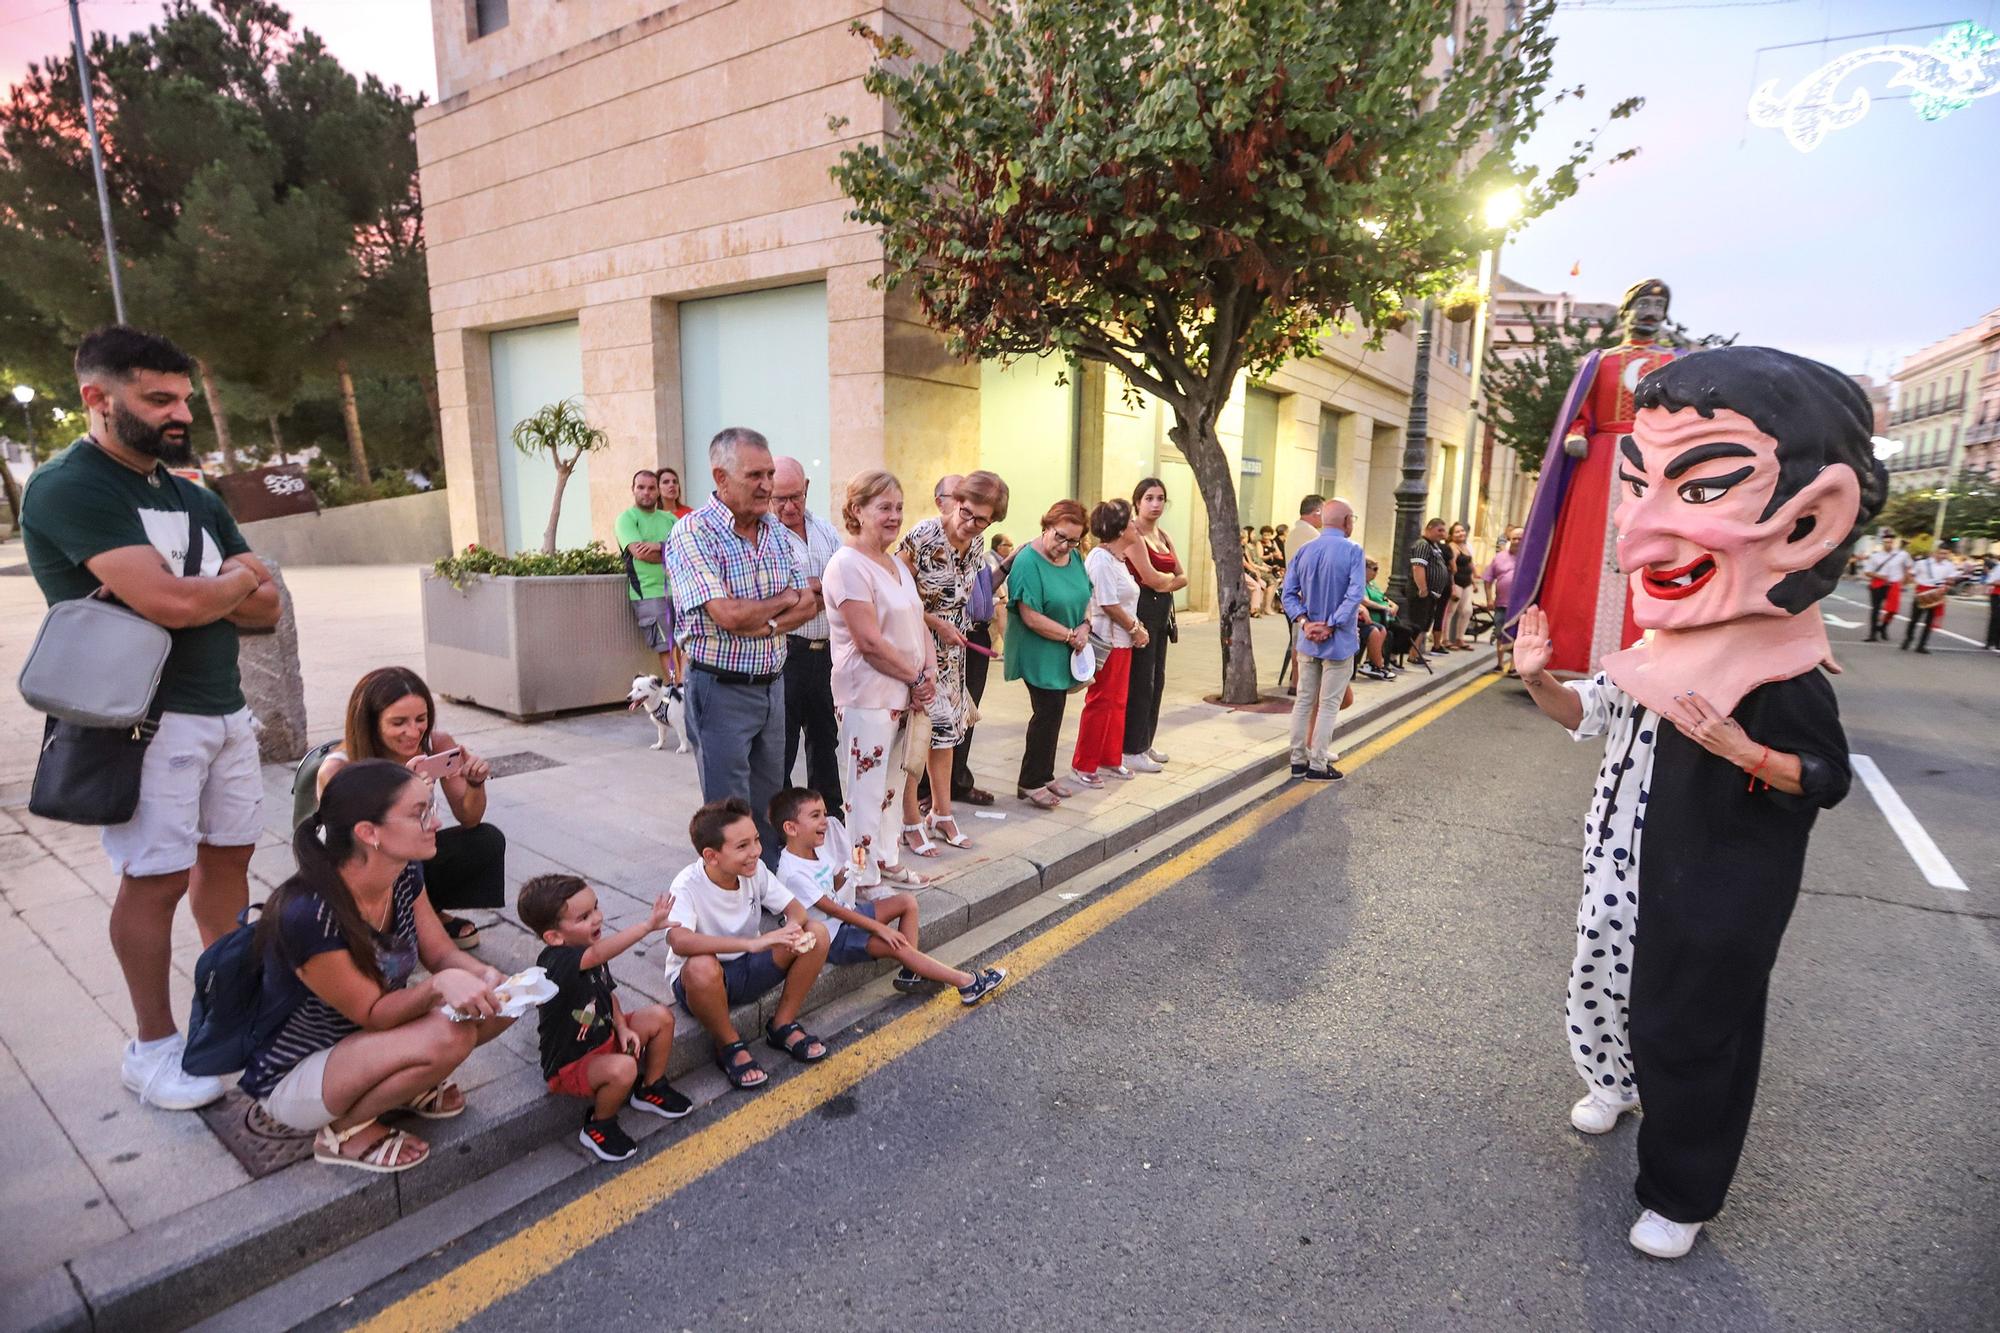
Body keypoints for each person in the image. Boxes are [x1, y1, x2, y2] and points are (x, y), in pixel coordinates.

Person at [1515, 345, 1882, 1259]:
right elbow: (1588, 711)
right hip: (1622, 860)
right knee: (1599, 980)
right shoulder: (1658, 650)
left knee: (1694, 1023)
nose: (1636, 536)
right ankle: (1613, 1081)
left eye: (1706, 485)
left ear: (1812, 517)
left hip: (1713, 882)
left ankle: (1682, 1192)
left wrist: (1742, 748)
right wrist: (1534, 680)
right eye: (1636, 485)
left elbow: (1826, 777)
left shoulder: (1783, 672)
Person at [20, 326, 280, 1111]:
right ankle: (153, 1047)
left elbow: (267, 606)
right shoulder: (73, 486)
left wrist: (208, 591)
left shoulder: (190, 493)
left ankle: (229, 1009)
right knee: (156, 879)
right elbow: (175, 600)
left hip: (224, 709)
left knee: (228, 864)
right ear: (96, 399)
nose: (177, 414)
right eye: (157, 399)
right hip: (142, 719)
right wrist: (223, 583)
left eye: (183, 399)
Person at [241, 760, 513, 1172]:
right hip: (298, 1072)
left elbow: (440, 953)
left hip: (369, 1041)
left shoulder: (403, 874)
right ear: (369, 833)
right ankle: (343, 1133)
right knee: (449, 1037)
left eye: (430, 807)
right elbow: (373, 1013)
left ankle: (406, 1086)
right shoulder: (308, 913)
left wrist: (482, 975)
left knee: (503, 1001)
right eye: (419, 813)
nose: (436, 822)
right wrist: (440, 985)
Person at [663, 427, 822, 867]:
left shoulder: (774, 531)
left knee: (772, 799)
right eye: (755, 474)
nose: (767, 485)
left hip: (773, 685)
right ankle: (730, 899)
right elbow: (728, 615)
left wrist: (765, 620)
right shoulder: (693, 533)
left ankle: (768, 885)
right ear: (721, 476)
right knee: (729, 811)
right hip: (721, 690)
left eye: (769, 473)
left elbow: (808, 603)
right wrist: (782, 603)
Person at [1510, 279, 1681, 674]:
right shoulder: (1600, 360)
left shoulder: (1676, 363)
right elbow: (1581, 413)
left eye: (1659, 303)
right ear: (1627, 310)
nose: (1651, 310)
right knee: (1585, 554)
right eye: (1644, 302)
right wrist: (1577, 432)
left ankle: (1647, 653)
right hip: (1601, 464)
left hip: (1655, 462)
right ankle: (1573, 650)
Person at [317, 667, 505, 951]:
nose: (413, 731)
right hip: (362, 862)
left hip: (407, 853)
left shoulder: (436, 743)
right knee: (406, 853)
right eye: (398, 723)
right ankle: (381, 925)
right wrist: (407, 797)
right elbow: (353, 844)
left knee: (484, 840)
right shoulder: (339, 768)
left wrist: (475, 784)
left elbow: (469, 818)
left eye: (421, 719)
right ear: (371, 723)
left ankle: (428, 915)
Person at [770, 787, 1005, 1005]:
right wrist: (879, 928)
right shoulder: (792, 872)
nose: (825, 821)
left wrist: (851, 869)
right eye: (815, 816)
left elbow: (834, 882)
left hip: (846, 917)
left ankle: (912, 971)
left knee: (906, 902)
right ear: (791, 828)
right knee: (898, 944)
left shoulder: (815, 849)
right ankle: (968, 983)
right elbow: (833, 909)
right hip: (833, 939)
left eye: (823, 813)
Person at [518, 875, 689, 1163]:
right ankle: (599, 1125)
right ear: (554, 937)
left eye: (596, 907)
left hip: (606, 1038)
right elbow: (599, 952)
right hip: (573, 1063)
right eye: (584, 916)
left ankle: (650, 1088)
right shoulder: (556, 960)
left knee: (660, 1016)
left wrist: (622, 1027)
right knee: (624, 1069)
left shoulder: (587, 950)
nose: (597, 918)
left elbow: (607, 994)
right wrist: (647, 926)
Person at [664, 797, 831, 1091]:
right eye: (742, 846)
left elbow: (796, 910)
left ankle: (782, 1025)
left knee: (816, 932)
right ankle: (728, 1045)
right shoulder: (686, 884)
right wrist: (752, 943)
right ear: (711, 856)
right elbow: (678, 940)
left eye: (755, 840)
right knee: (701, 967)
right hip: (706, 984)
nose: (755, 851)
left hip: (749, 967)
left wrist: (791, 931)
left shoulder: (755, 871)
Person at [822, 469, 936, 890]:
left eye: (899, 508)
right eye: (884, 507)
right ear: (857, 510)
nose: (894, 516)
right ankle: (861, 873)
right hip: (866, 696)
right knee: (862, 795)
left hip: (903, 694)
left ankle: (886, 859)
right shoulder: (847, 565)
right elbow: (868, 640)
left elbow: (917, 618)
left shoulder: (893, 563)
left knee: (891, 788)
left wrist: (929, 673)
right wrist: (915, 677)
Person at [899, 470, 1008, 850]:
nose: (971, 524)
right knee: (919, 735)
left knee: (947, 736)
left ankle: (942, 813)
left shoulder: (975, 544)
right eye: (966, 512)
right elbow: (894, 596)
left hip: (953, 653)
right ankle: (909, 818)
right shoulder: (923, 536)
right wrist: (935, 624)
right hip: (918, 651)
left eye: (982, 520)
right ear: (954, 501)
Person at [1007, 501, 1093, 809]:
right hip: (1039, 648)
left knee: (1054, 712)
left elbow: (1086, 595)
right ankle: (1030, 781)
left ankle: (1043, 774)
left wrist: (1085, 624)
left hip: (1067, 646)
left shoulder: (1075, 557)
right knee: (1047, 711)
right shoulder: (1028, 561)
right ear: (1046, 526)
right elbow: (1030, 616)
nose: (1065, 546)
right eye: (1060, 537)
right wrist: (1070, 635)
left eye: (1073, 540)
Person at [772, 455, 844, 815]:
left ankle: (829, 820)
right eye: (779, 498)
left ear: (806, 490)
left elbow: (842, 584)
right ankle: (783, 828)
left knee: (825, 743)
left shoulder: (826, 530)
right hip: (787, 652)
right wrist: (816, 590)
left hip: (826, 653)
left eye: (795, 496)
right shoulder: (767, 537)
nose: (788, 506)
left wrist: (806, 592)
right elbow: (777, 599)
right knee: (781, 747)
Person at [1280, 499, 1366, 781]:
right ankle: (1317, 763)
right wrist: (1331, 624)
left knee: (1304, 700)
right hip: (1338, 640)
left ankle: (1297, 760)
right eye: (1351, 519)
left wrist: (1305, 622)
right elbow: (1354, 595)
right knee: (1328, 703)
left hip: (1308, 638)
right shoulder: (1353, 551)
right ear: (1346, 522)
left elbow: (1288, 594)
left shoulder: (1304, 551)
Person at [1073, 499, 1150, 785]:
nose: (1135, 526)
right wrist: (1136, 628)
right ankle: (1085, 764)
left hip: (1123, 642)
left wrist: (1133, 629)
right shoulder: (1101, 559)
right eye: (1130, 522)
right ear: (1119, 530)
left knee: (1117, 702)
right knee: (1100, 701)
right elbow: (1107, 603)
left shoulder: (1117, 559)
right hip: (1106, 640)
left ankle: (1110, 757)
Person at [1122, 479, 1186, 772]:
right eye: (1149, 498)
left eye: (1161, 498)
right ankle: (1131, 748)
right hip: (1141, 608)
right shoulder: (1132, 533)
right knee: (1141, 681)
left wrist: (1166, 583)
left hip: (1162, 612)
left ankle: (1145, 741)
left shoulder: (1163, 534)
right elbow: (1150, 578)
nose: (1156, 503)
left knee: (1157, 679)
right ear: (1137, 502)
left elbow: (1182, 576)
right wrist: (1167, 582)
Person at [615, 468, 680, 683]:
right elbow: (639, 554)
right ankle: (677, 691)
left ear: (658, 492)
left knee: (684, 646)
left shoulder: (670, 518)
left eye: (651, 488)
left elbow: (685, 550)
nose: (646, 492)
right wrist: (668, 550)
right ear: (633, 490)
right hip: (648, 594)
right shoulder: (626, 519)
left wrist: (657, 547)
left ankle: (686, 691)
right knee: (667, 648)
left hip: (679, 590)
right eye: (641, 487)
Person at [1405, 517, 1449, 662]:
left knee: (1425, 624)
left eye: (1444, 530)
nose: (1442, 534)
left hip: (1432, 594)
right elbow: (1418, 566)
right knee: (1418, 623)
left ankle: (1417, 653)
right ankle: (1413, 654)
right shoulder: (1422, 545)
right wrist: (1422, 588)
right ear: (1429, 528)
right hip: (1422, 593)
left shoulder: (1434, 546)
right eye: (1439, 530)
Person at [1483, 526, 1524, 675]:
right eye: (1514, 538)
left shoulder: (1529, 558)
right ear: (1509, 539)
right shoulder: (1499, 557)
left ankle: (1513, 666)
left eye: (1520, 538)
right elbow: (1488, 579)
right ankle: (1499, 663)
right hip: (1501, 604)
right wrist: (1489, 598)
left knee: (1517, 635)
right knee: (1500, 632)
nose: (1517, 541)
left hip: (1521, 605)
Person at [1902, 547, 1958, 654]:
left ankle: (1922, 645)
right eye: (1941, 553)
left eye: (1945, 553)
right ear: (1935, 553)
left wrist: (1947, 585)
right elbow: (1911, 574)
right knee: (1914, 618)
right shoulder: (1922, 563)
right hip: (1922, 592)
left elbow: (1951, 579)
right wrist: (1916, 583)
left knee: (1930, 621)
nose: (1943, 556)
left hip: (1936, 593)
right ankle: (1908, 639)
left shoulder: (1949, 565)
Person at [1859, 536, 1911, 640]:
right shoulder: (1875, 556)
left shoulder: (1902, 555)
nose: (1888, 544)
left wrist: (1905, 580)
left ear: (1894, 543)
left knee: (1892, 610)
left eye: (1890, 542)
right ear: (1883, 543)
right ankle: (1872, 634)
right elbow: (1867, 572)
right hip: (1878, 584)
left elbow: (1908, 567)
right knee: (1876, 609)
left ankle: (1883, 627)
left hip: (1893, 585)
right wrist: (1879, 576)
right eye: (1886, 542)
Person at [1445, 521, 1477, 649]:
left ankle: (1460, 638)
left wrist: (1474, 582)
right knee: (1450, 611)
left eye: (1462, 531)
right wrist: (1452, 587)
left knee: (1467, 611)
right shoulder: (1452, 547)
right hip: (1456, 582)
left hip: (1467, 583)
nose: (1461, 533)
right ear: (1452, 535)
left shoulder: (1466, 546)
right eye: (1457, 532)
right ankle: (1445, 639)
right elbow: (1451, 568)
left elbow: (1470, 564)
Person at [1241, 526, 1272, 617]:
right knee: (1256, 586)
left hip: (1248, 571)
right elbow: (1244, 563)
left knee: (1262, 584)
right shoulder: (1238, 548)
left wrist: (1255, 570)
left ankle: (1257, 607)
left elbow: (1249, 562)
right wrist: (1255, 571)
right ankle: (1253, 610)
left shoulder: (1244, 548)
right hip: (1240, 573)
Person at [1985, 557, 2000, 652]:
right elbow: (1990, 580)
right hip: (1997, 594)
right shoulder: (1999, 567)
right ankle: (1990, 641)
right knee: (1995, 617)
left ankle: (1997, 642)